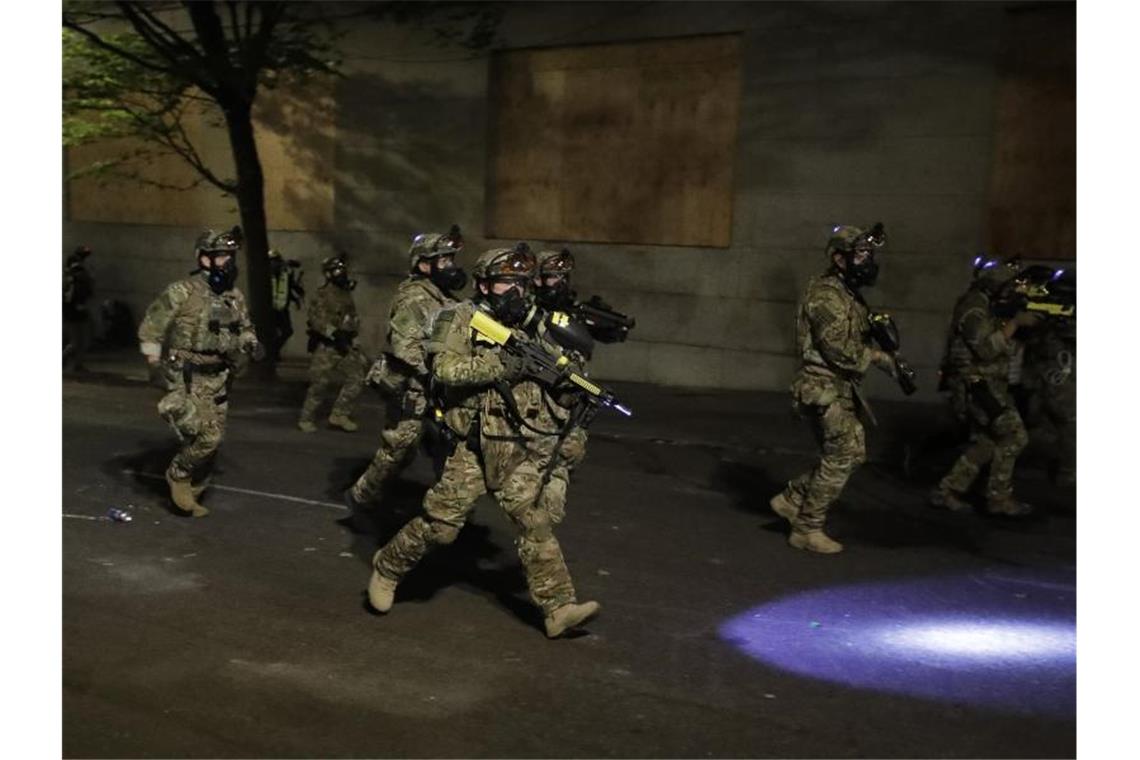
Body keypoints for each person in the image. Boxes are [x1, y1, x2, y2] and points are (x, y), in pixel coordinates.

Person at [366, 244, 601, 638]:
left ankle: (558, 608)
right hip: (475, 444)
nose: (514, 291)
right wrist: (499, 365)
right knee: (441, 525)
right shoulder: (457, 317)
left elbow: (563, 366)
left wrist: (563, 391)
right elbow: (443, 369)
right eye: (505, 282)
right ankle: (388, 568)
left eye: (520, 283)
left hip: (519, 441)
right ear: (485, 284)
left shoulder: (534, 323)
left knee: (533, 521)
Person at [768, 224, 896, 554]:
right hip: (821, 387)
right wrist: (879, 357)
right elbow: (841, 350)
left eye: (869, 255)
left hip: (836, 387)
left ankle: (792, 499)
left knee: (849, 454)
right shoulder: (826, 296)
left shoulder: (846, 294)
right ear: (840, 259)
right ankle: (806, 529)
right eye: (860, 255)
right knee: (844, 452)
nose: (867, 262)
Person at [137, 228, 260, 517]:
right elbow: (151, 328)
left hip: (220, 375)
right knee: (204, 437)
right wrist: (153, 363)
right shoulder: (181, 291)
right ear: (204, 259)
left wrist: (250, 343)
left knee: (214, 435)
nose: (227, 263)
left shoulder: (234, 296)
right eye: (220, 257)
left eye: (230, 256)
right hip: (188, 374)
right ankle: (179, 474)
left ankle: (196, 484)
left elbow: (244, 327)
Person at [347, 226, 467, 508]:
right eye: (444, 261)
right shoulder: (414, 298)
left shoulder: (444, 296)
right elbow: (405, 347)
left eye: (451, 260)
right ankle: (361, 496)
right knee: (399, 448)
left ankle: (445, 507)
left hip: (438, 388)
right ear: (425, 265)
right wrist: (437, 372)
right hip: (414, 387)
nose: (451, 267)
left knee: (448, 447)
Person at [930, 256, 1043, 515]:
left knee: (988, 442)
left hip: (986, 385)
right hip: (976, 386)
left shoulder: (985, 305)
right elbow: (984, 349)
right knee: (1015, 435)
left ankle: (946, 491)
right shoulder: (974, 309)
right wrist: (1015, 324)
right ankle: (999, 498)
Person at [298, 255, 366, 432]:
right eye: (336, 270)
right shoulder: (323, 294)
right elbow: (316, 320)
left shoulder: (345, 294)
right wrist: (334, 334)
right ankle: (306, 418)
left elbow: (352, 318)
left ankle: (339, 414)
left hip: (345, 345)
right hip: (326, 346)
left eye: (342, 270)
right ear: (328, 274)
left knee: (357, 376)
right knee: (319, 384)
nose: (341, 273)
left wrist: (354, 339)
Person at [267, 249, 305, 362]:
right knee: (270, 332)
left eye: (276, 262)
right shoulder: (265, 274)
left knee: (287, 331)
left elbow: (289, 288)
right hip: (269, 309)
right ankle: (271, 353)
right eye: (272, 262)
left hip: (282, 308)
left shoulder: (285, 274)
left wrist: (296, 298)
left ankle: (273, 350)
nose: (274, 265)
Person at [63, 245, 95, 372]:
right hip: (73, 310)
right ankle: (72, 362)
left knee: (81, 340)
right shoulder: (76, 276)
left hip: (75, 309)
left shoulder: (73, 276)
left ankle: (78, 364)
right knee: (78, 340)